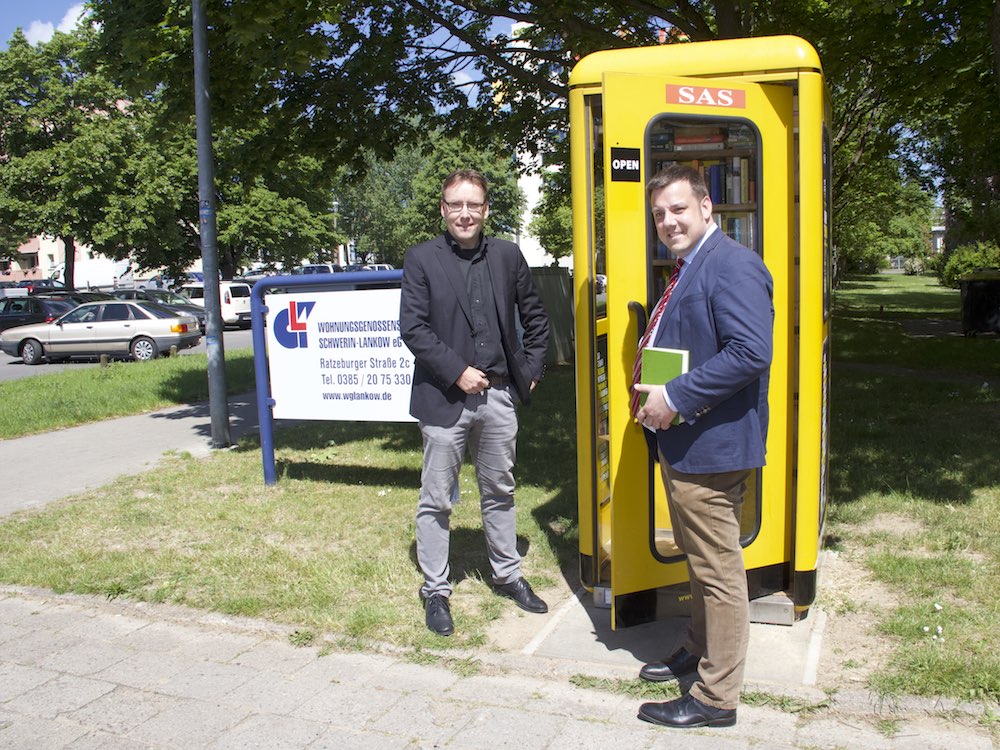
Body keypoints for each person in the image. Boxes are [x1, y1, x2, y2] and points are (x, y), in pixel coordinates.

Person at [631, 164, 773, 729]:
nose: (668, 222)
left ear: (707, 207)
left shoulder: (733, 265)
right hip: (687, 443)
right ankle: (697, 644)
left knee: (718, 573)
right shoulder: (693, 265)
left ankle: (716, 699)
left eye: (678, 209)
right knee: (699, 559)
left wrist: (676, 397)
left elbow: (749, 352)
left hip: (711, 447)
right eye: (660, 214)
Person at [399, 168, 551, 637]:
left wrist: (530, 373)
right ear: (443, 210)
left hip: (500, 396)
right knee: (437, 498)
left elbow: (536, 317)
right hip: (444, 397)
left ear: (486, 210)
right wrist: (457, 371)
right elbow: (414, 328)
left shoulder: (507, 255)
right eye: (455, 205)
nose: (464, 213)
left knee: (500, 490)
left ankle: (507, 575)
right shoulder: (421, 259)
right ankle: (436, 590)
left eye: (473, 205)